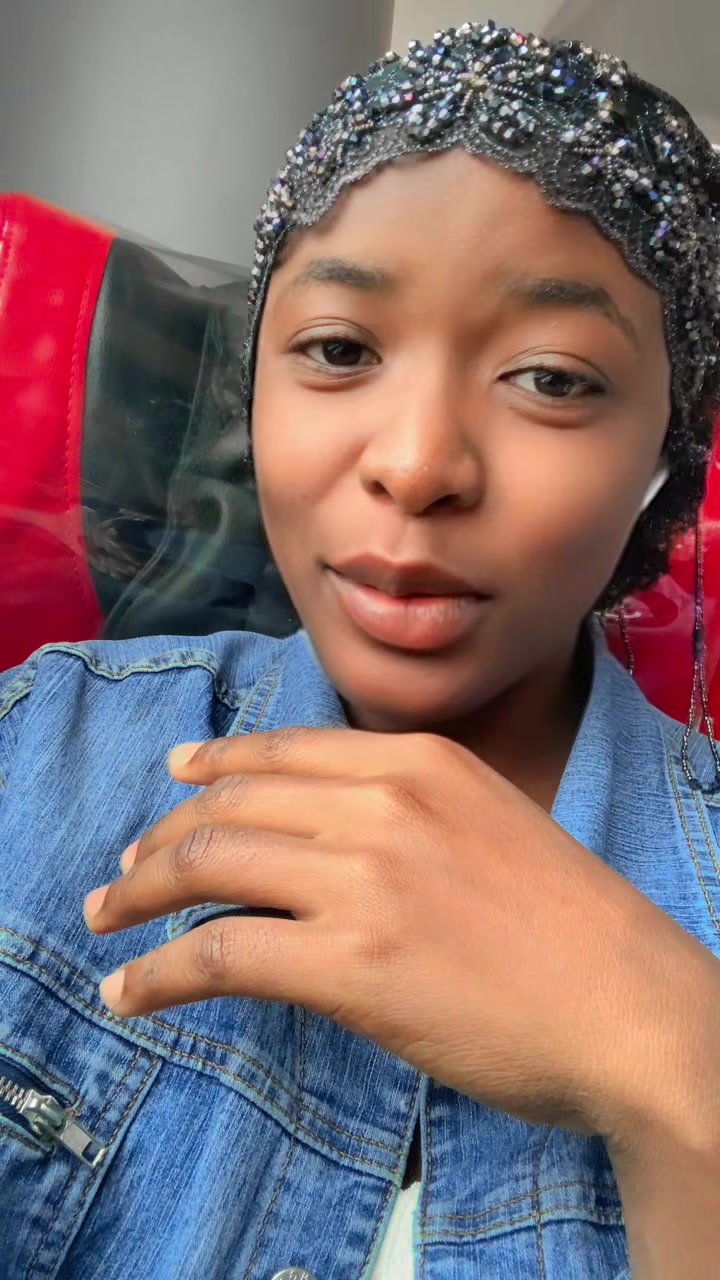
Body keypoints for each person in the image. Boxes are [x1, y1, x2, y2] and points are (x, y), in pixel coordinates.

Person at [1, 20, 720, 1280]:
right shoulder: (34, 750)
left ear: (668, 453)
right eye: (339, 350)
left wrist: (677, 1060)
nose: (416, 463)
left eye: (552, 377)